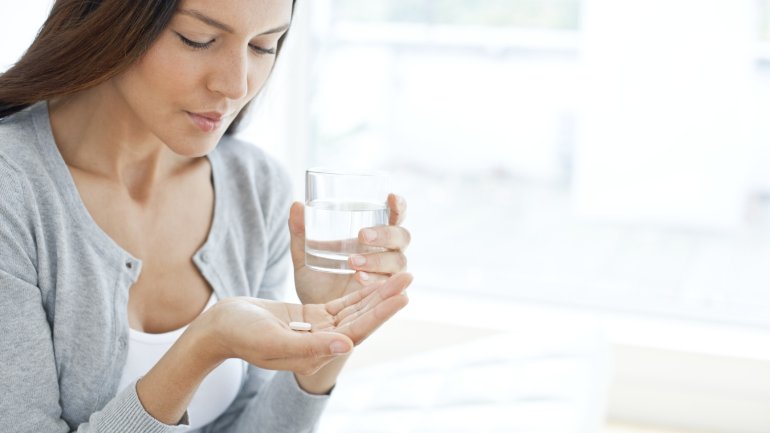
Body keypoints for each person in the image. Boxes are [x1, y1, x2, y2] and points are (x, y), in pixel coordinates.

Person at [0, 1, 412, 432]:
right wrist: (201, 349)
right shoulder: (13, 193)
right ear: (109, 18)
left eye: (263, 46)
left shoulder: (253, 186)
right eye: (198, 40)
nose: (235, 85)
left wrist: (332, 326)